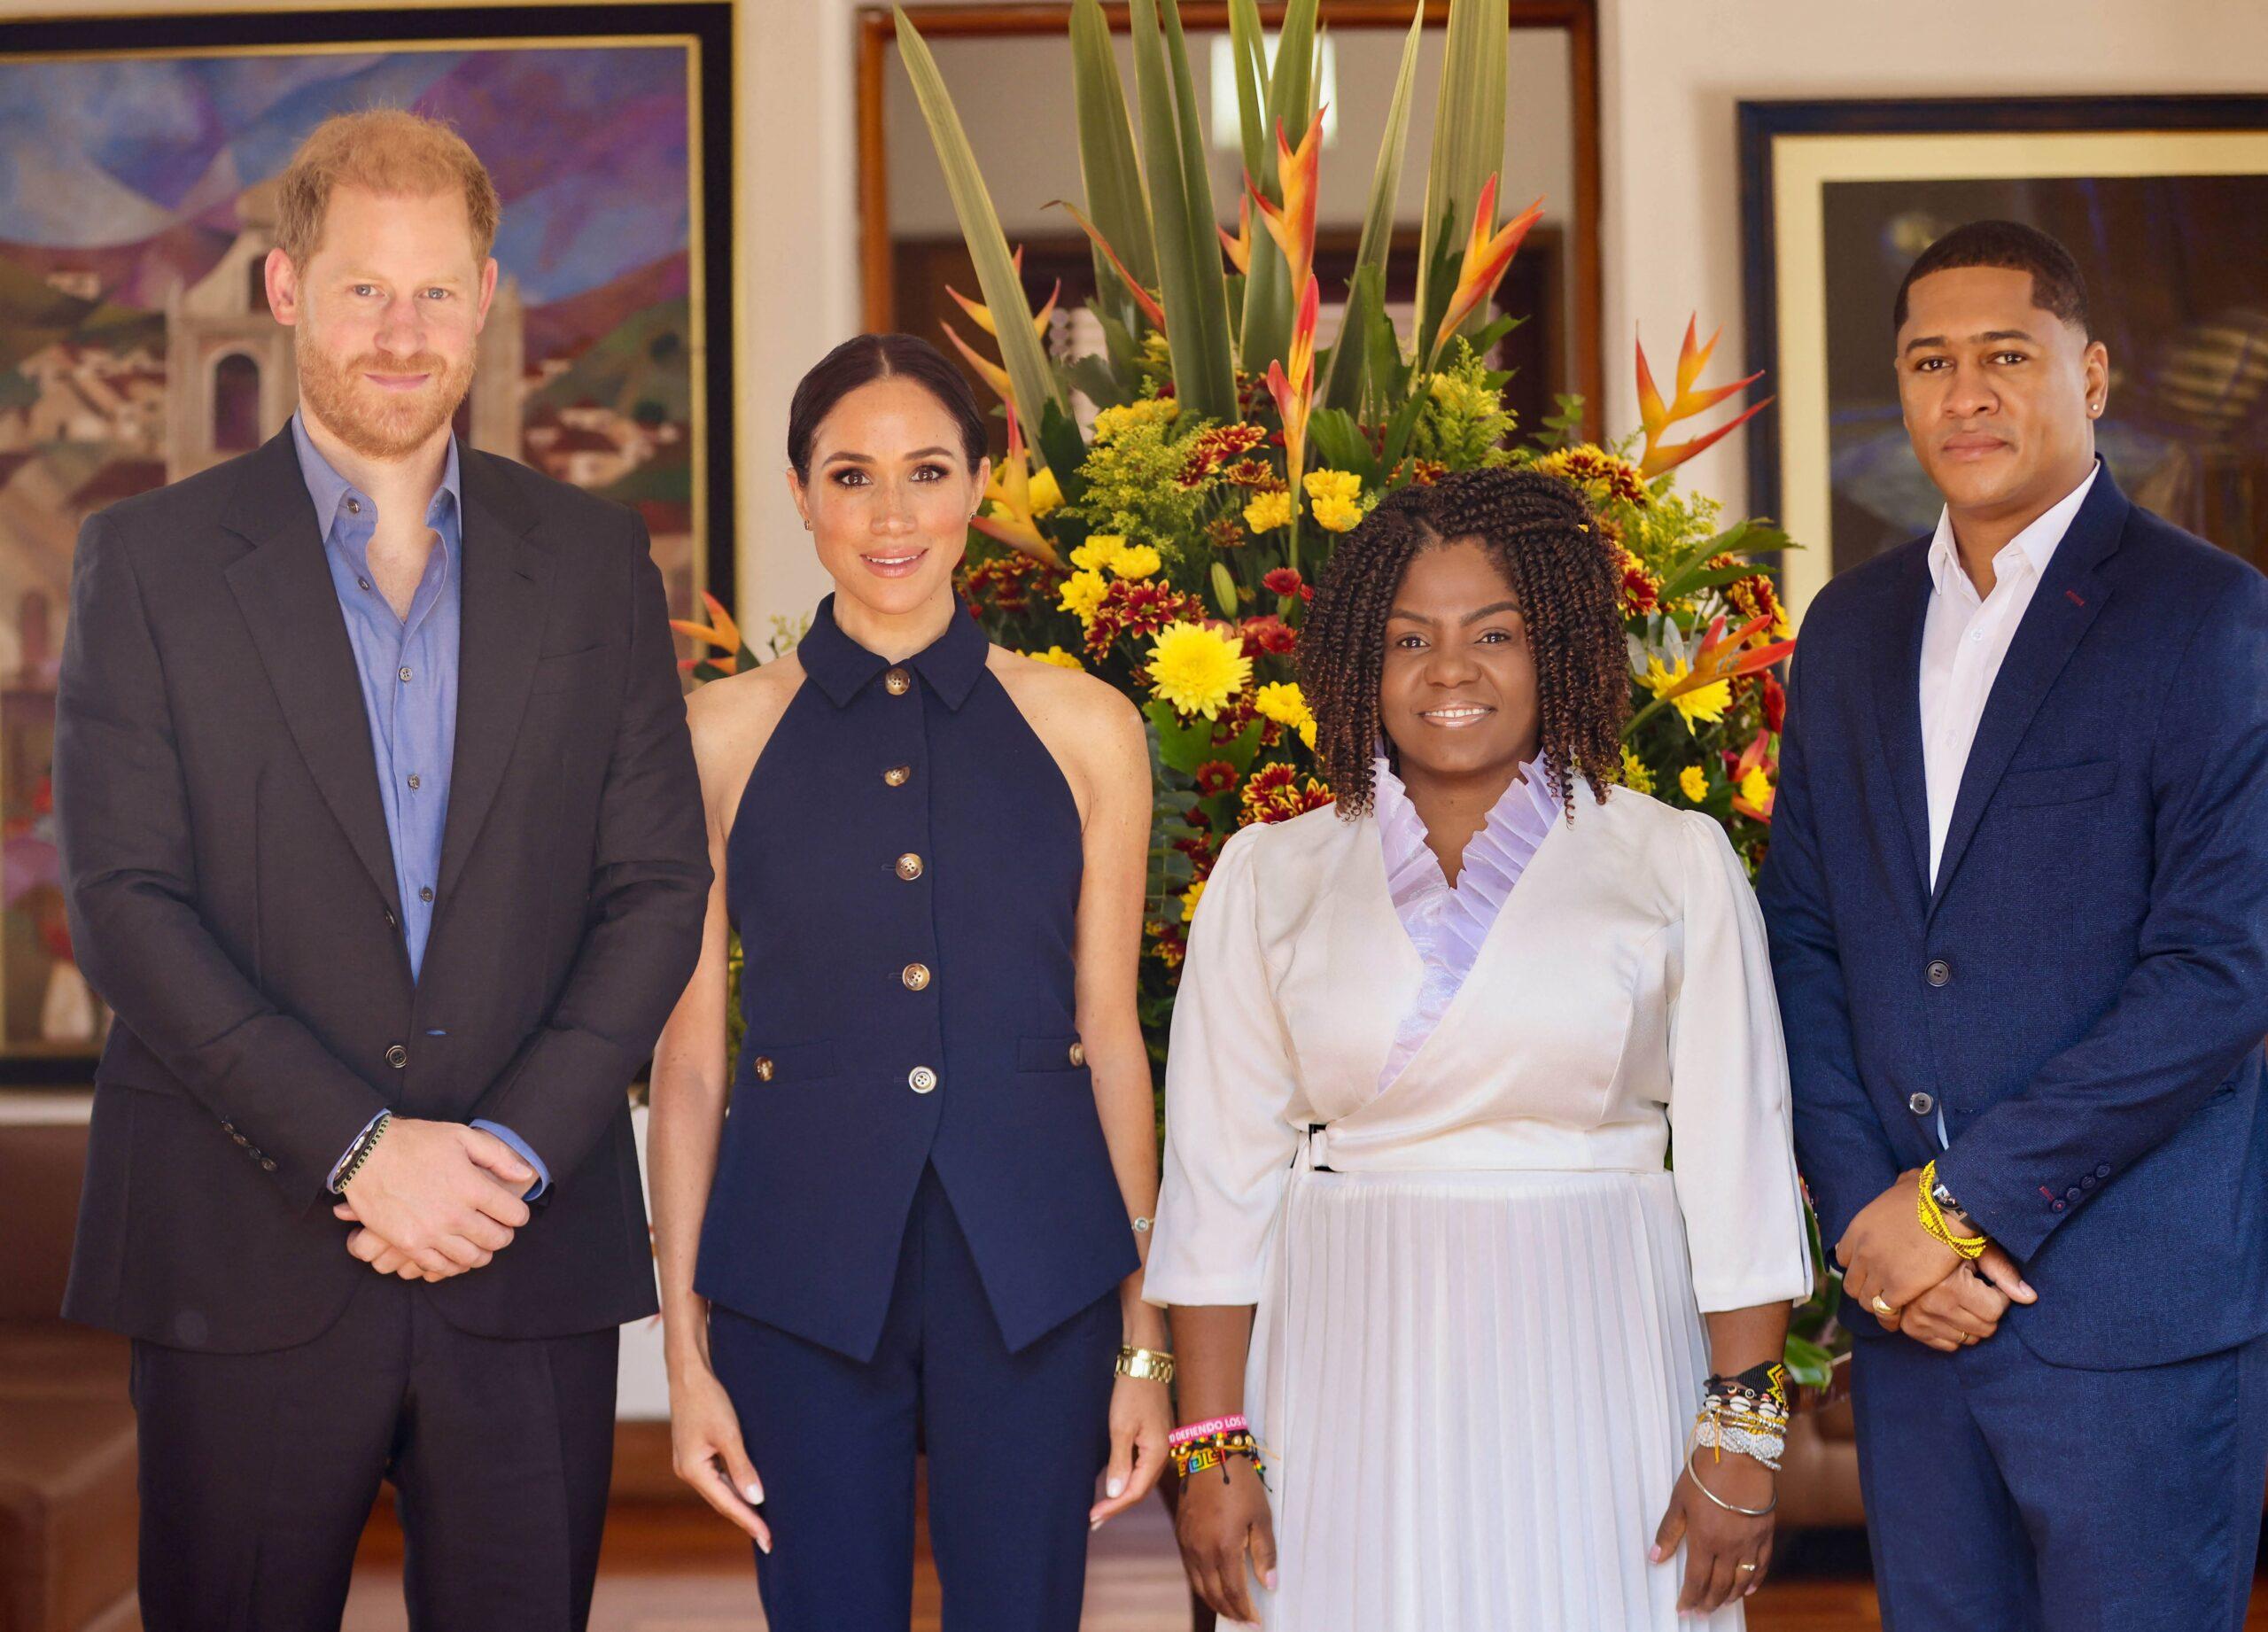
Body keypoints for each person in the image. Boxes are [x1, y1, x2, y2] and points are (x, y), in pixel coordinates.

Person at [51, 109, 709, 1629]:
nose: (400, 333)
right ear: (285, 292)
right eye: (362, 290)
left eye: (435, 291)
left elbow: (656, 887)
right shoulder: (143, 565)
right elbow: (128, 909)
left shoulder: (599, 562)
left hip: (519, 1252)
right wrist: (364, 1147)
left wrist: (505, 1158)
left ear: (486, 296)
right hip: (241, 1254)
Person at [1146, 468, 1814, 1630]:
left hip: (1604, 1353)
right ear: (1363, 658)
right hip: (1342, 1363)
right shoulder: (1271, 873)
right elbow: (1216, 1184)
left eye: (1494, 633)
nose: (1451, 670)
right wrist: (1211, 1445)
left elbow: (1739, 1169)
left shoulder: (1673, 860)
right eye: (1410, 637)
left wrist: (1742, 1434)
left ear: (1557, 646)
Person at [1758, 219, 2268, 1629]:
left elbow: (2219, 974)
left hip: (2126, 1323)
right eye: (1930, 361)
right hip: (1913, 1322)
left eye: (2005, 356)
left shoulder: (2212, 617)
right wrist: (1877, 1219)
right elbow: (1801, 934)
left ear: (2091, 373)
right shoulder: (1848, 631)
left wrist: (1951, 1206)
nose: (1964, 393)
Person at [646, 332, 1173, 1631]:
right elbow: (692, 1060)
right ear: (800, 491)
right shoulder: (717, 734)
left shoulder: (1087, 725)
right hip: (795, 1274)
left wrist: (1144, 1342)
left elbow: (1111, 1034)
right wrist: (682, 1347)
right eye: (852, 475)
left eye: (928, 471)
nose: (893, 515)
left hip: (1038, 1273)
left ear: (981, 485)